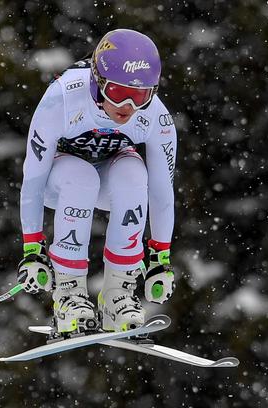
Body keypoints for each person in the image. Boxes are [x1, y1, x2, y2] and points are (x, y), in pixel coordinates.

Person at [17, 29, 177, 334]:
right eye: (117, 92)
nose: (128, 106)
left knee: (134, 172)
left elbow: (160, 191)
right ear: (98, 80)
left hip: (109, 185)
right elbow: (33, 180)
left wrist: (161, 257)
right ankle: (68, 292)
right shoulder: (62, 99)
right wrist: (32, 250)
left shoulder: (155, 117)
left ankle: (118, 294)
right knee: (81, 176)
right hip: (60, 183)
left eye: (141, 95)